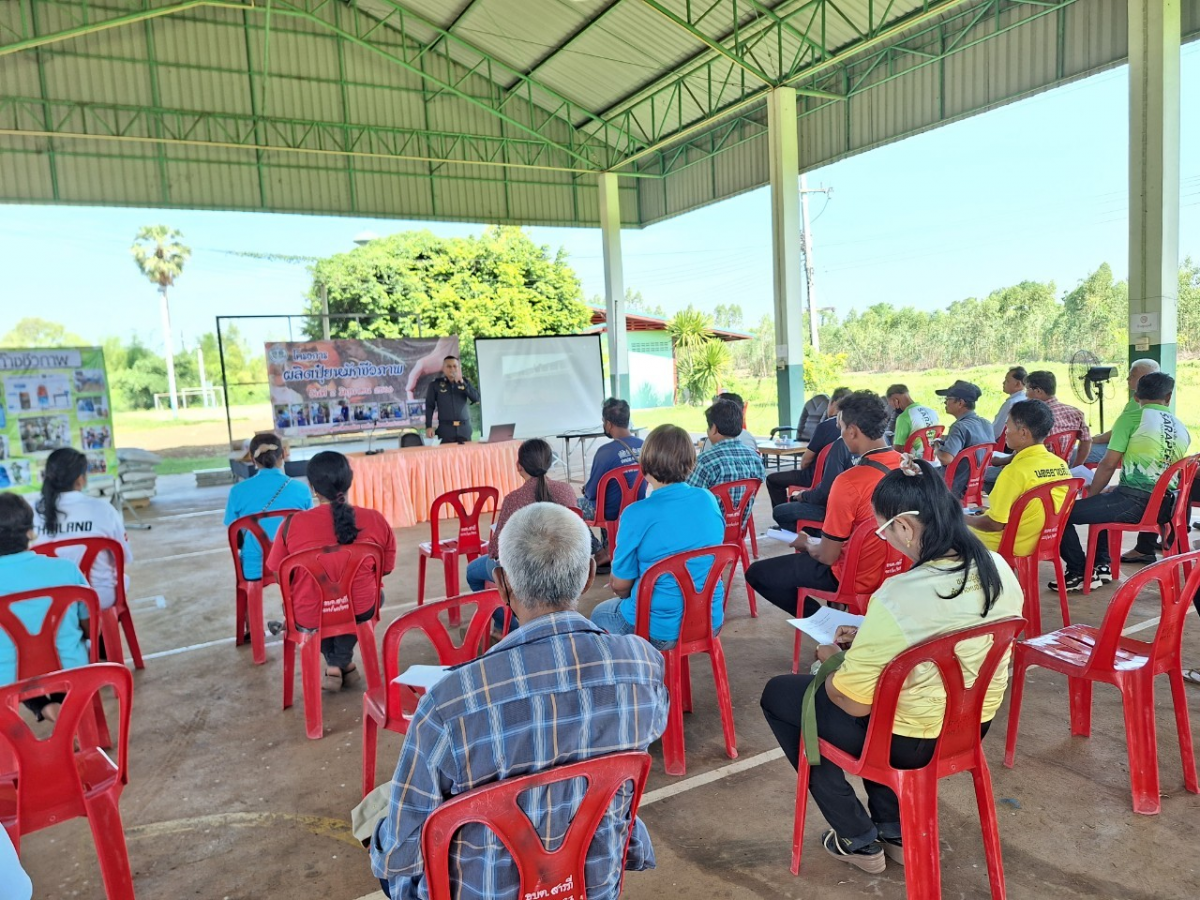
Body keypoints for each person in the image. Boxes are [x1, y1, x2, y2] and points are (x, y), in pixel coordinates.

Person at [370, 503, 668, 900]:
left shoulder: (450, 703)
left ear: (501, 583)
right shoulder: (642, 665)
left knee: (378, 818)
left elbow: (399, 858)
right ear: (586, 579)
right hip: (592, 886)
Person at [760, 458, 1023, 873]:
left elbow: (851, 703)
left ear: (904, 527)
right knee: (886, 697)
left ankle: (857, 837)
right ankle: (893, 829)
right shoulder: (1000, 569)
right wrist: (869, 638)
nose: (887, 540)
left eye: (884, 530)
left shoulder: (900, 593)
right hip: (971, 726)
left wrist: (831, 660)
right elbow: (938, 632)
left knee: (783, 696)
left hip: (911, 741)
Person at [746, 390, 902, 617]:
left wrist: (807, 543)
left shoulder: (850, 481)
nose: (840, 433)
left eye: (840, 428)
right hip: (897, 571)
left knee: (758, 573)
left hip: (855, 575)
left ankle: (825, 623)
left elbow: (828, 556)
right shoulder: (909, 466)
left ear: (852, 431)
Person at [267, 451, 396, 692]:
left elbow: (280, 577)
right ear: (349, 481)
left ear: (313, 488)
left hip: (309, 614)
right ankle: (342, 662)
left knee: (307, 607)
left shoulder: (291, 525)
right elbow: (384, 571)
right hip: (361, 607)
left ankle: (336, 664)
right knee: (373, 597)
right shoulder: (375, 519)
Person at [590, 424, 725, 649]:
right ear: (691, 463)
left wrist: (626, 589)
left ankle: (631, 678)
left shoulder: (635, 513)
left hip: (657, 629)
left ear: (643, 466)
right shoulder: (707, 498)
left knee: (598, 614)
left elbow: (622, 585)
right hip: (710, 620)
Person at [1055, 372, 1190, 591]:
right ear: (1169, 396)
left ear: (1136, 396)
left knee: (1061, 514)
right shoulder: (1181, 426)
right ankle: (1102, 566)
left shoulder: (1132, 419)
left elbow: (1108, 464)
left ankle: (1079, 571)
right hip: (1166, 506)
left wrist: (1094, 494)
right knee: (1105, 502)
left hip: (1135, 504)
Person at [0, 493, 92, 724]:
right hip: (70, 666)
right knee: (63, 654)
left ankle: (43, 706)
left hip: (7, 677)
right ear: (30, 532)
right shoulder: (65, 569)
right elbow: (91, 627)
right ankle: (63, 708)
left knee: (14, 668)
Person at [224, 434, 313, 639]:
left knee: (245, 555)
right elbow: (307, 526)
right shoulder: (301, 489)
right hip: (293, 563)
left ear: (252, 460)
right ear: (283, 455)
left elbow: (234, 533)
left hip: (256, 566)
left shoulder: (238, 491)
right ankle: (297, 620)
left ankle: (251, 629)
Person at [466, 439, 579, 593]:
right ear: (549, 462)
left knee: (472, 572)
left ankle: (506, 617)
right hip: (564, 568)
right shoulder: (566, 490)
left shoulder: (514, 499)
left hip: (527, 573)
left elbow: (495, 551)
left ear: (519, 465)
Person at [30, 447, 132, 611]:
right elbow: (123, 557)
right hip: (98, 597)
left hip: (47, 601)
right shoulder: (103, 510)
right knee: (123, 579)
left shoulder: (30, 510)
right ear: (80, 479)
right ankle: (99, 634)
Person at [966, 400, 1071, 555]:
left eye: (1008, 426)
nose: (1006, 432)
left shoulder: (1014, 472)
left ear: (1023, 432)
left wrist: (962, 518)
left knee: (944, 528)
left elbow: (995, 525)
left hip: (1009, 543)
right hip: (1043, 541)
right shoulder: (1061, 465)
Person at [766, 386, 850, 507]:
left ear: (833, 403)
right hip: (841, 479)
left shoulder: (825, 427)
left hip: (814, 476)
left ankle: (785, 514)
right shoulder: (854, 428)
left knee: (772, 479)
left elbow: (806, 460)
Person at [687, 399, 765, 522]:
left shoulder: (705, 461)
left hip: (707, 531)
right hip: (738, 528)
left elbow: (689, 499)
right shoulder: (755, 458)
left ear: (714, 429)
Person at [772, 436, 853, 533]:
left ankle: (817, 541)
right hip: (859, 511)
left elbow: (824, 493)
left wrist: (804, 496)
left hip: (836, 511)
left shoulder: (840, 444)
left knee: (779, 512)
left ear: (851, 430)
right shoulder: (868, 447)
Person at [1085, 358, 1160, 464]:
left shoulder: (1140, 402)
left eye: (1133, 376)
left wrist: (1094, 439)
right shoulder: (1154, 400)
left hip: (1125, 452)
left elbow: (1117, 433)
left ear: (1146, 378)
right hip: (1134, 448)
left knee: (1077, 453)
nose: (1128, 378)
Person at [934, 380, 994, 498]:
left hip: (955, 483)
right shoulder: (986, 423)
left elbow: (946, 459)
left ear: (960, 402)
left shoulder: (959, 426)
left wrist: (936, 446)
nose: (945, 402)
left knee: (915, 473)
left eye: (948, 399)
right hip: (976, 483)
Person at [1022, 371, 1093, 469]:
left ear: (1038, 391)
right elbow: (1086, 441)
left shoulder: (1035, 417)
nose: (1026, 395)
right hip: (1062, 469)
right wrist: (1077, 466)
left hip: (1035, 469)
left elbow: (1023, 448)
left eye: (1027, 390)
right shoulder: (1076, 413)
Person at [424, 355, 479, 443]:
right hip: (446, 429)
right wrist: (428, 426)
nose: (452, 369)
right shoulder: (435, 385)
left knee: (467, 455)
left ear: (458, 368)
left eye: (454, 366)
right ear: (443, 368)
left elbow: (476, 398)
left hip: (464, 428)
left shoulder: (464, 382)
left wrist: (463, 384)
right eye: (449, 366)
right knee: (447, 455)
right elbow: (429, 406)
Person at [886, 385, 940, 456]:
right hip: (934, 460)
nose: (893, 408)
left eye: (891, 404)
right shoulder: (933, 412)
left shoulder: (904, 417)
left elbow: (898, 450)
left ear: (895, 400)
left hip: (913, 463)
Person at [992, 366, 1027, 440]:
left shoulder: (1012, 403)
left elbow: (996, 431)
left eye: (1007, 380)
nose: (1003, 383)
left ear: (1017, 384)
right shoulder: (1026, 398)